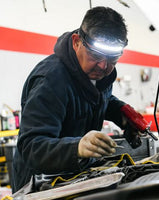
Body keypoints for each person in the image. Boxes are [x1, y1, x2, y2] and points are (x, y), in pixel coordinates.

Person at [12, 6, 141, 193]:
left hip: (75, 176)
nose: (104, 66)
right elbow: (32, 146)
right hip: (40, 186)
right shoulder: (51, 80)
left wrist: (121, 112)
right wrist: (77, 147)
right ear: (76, 42)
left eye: (113, 60)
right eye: (96, 56)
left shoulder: (99, 73)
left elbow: (96, 97)